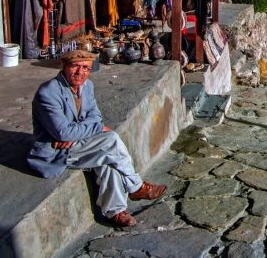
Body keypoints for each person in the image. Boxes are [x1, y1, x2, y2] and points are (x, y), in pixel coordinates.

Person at [27, 50, 167, 227]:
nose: (80, 72)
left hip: (76, 141)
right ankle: (136, 187)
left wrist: (76, 132)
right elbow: (64, 133)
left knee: (110, 159)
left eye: (85, 68)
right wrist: (95, 129)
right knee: (110, 140)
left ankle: (115, 212)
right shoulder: (48, 92)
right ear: (64, 67)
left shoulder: (87, 86)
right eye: (75, 67)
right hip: (57, 150)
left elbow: (95, 117)